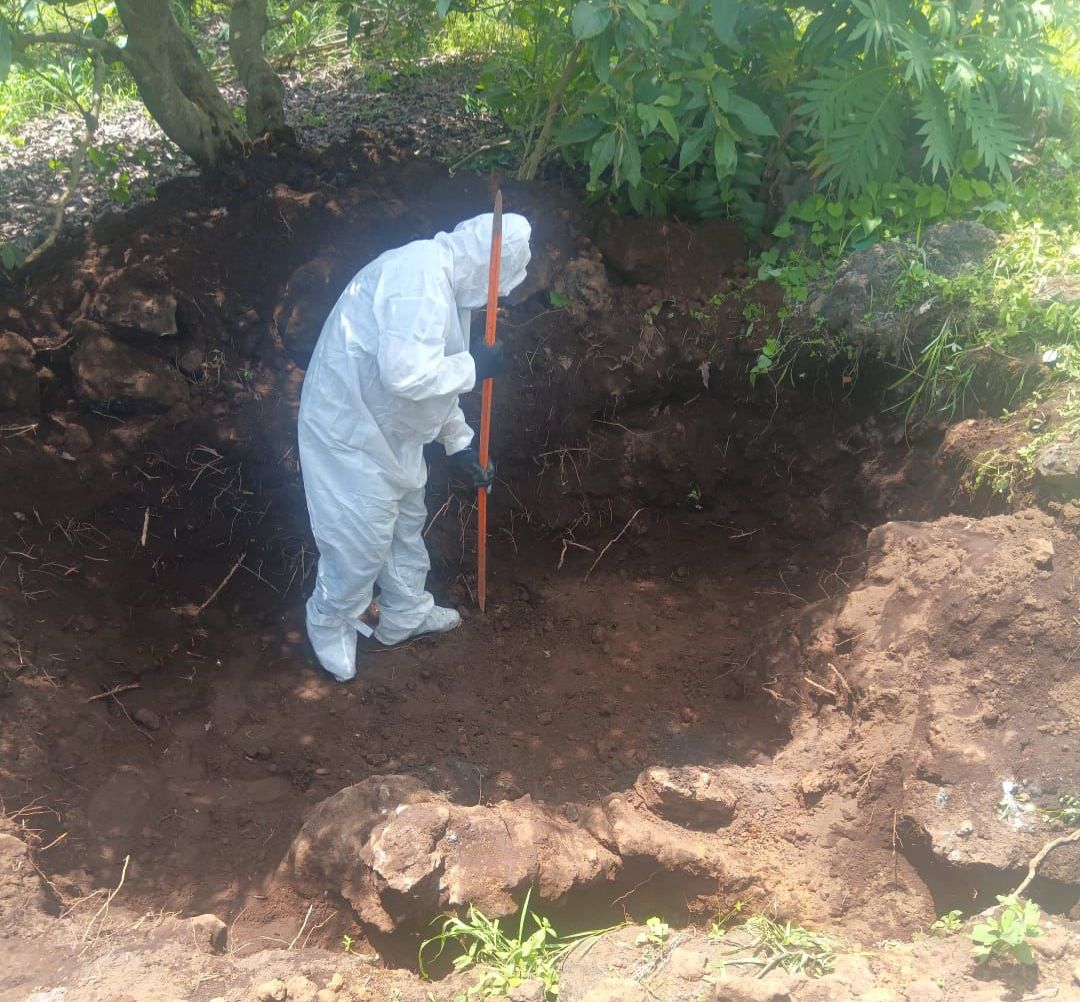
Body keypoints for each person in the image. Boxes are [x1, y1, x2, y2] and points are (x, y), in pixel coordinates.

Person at [297, 212, 532, 682]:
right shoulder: (417, 278)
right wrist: (474, 367)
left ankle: (405, 613)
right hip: (350, 432)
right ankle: (329, 615)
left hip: (391, 433)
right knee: (360, 540)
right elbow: (406, 375)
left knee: (404, 526)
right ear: (486, 268)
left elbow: (436, 382)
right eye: (496, 289)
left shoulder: (446, 289)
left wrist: (460, 444)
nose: (495, 301)